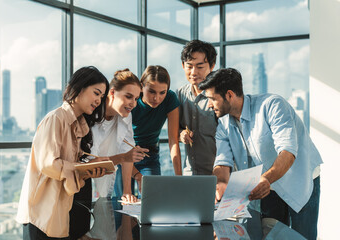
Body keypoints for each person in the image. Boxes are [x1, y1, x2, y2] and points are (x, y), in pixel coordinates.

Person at [198, 68, 323, 240]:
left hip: (299, 180)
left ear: (229, 95)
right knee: (271, 235)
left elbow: (287, 151)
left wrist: (266, 179)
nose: (209, 105)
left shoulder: (272, 105)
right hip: (266, 186)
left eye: (212, 99)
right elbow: (222, 161)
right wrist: (220, 183)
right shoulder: (223, 125)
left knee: (302, 237)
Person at [16, 66, 114, 239]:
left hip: (57, 213)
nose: (99, 100)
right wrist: (79, 169)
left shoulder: (78, 126)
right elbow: (49, 164)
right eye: (96, 93)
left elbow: (67, 169)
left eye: (102, 96)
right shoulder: (56, 118)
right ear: (80, 87)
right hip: (40, 214)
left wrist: (89, 168)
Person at [91, 69, 149, 203]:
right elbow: (89, 162)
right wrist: (124, 156)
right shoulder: (92, 112)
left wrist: (127, 192)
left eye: (136, 99)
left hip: (105, 179)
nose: (133, 104)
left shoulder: (126, 116)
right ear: (112, 92)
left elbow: (127, 151)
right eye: (128, 97)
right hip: (85, 178)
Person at [129, 65, 182, 193]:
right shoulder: (131, 101)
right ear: (142, 86)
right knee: (122, 202)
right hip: (125, 154)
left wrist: (180, 179)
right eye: (151, 91)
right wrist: (136, 174)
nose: (156, 98)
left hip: (149, 155)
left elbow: (173, 141)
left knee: (152, 199)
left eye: (162, 92)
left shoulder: (170, 99)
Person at [176, 40, 218, 175]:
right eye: (189, 66)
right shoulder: (179, 94)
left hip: (218, 172)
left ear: (212, 66)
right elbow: (174, 130)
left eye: (200, 67)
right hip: (190, 172)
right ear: (183, 66)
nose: (193, 72)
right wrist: (181, 134)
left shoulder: (218, 96)